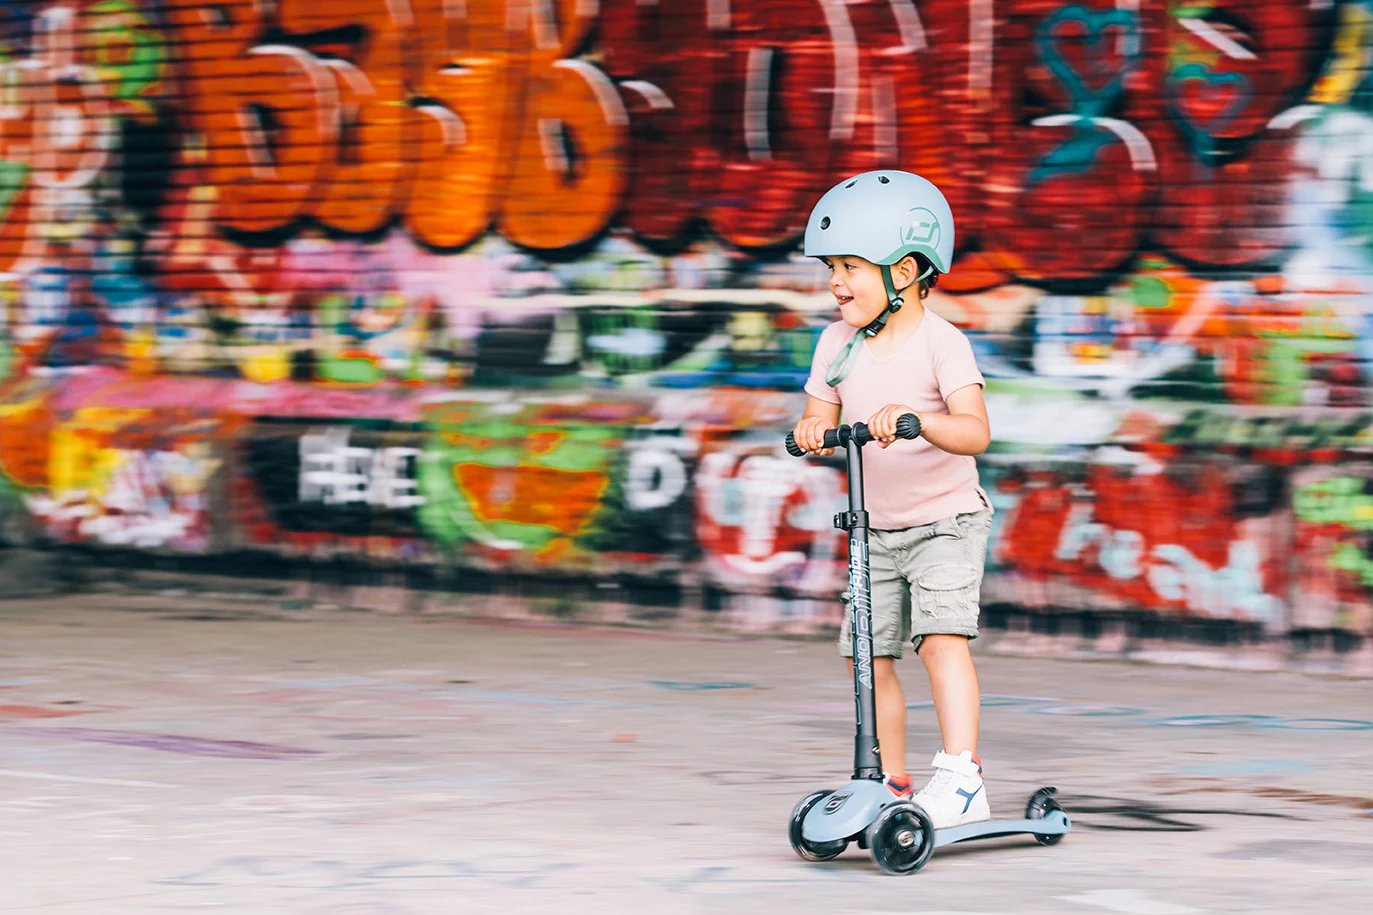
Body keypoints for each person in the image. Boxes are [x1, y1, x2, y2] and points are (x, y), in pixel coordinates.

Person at [790, 170, 994, 829]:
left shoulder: (943, 343)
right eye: (831, 268)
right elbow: (817, 417)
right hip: (873, 529)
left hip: (944, 523)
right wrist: (810, 431)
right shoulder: (835, 343)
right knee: (868, 656)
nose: (835, 282)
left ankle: (961, 779)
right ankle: (890, 783)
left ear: (904, 270)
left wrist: (918, 418)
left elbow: (974, 431)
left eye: (851, 266)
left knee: (939, 639)